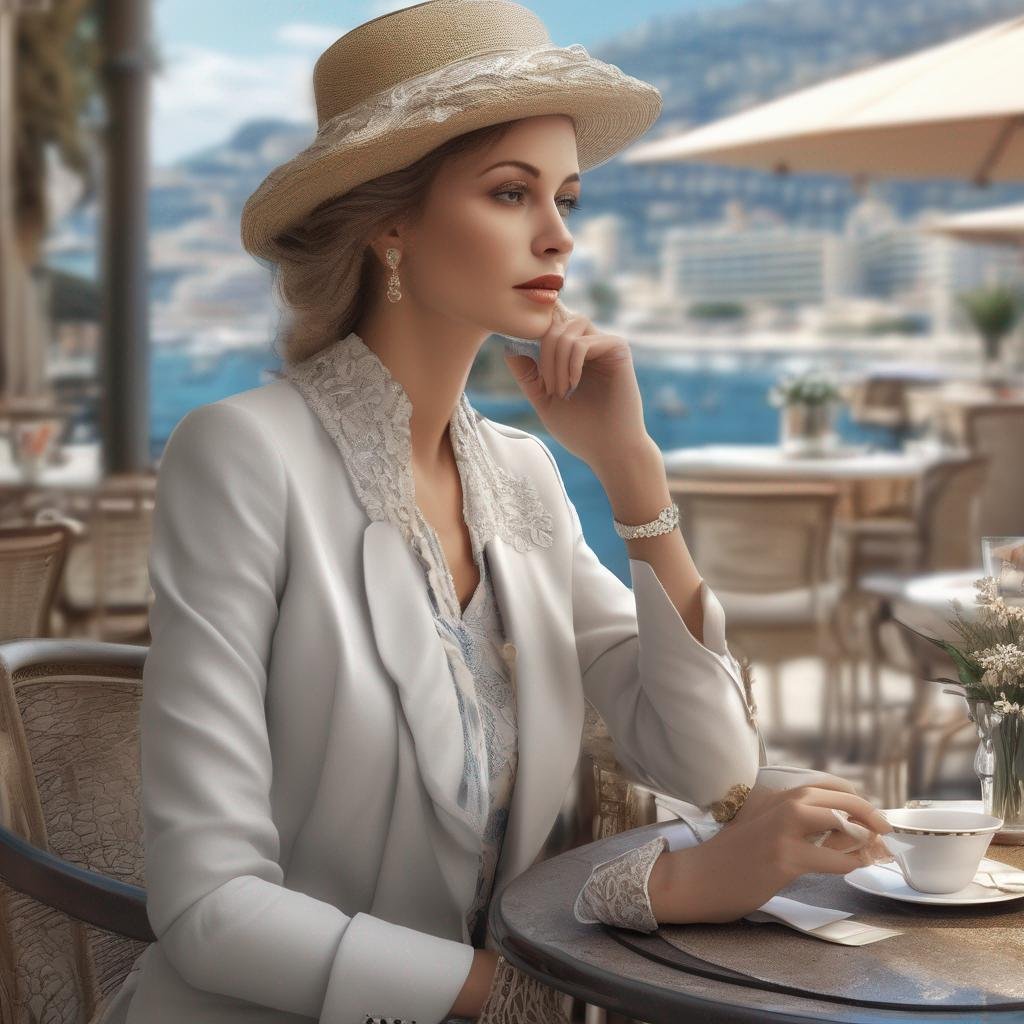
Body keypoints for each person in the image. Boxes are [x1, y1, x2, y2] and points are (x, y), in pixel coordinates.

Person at [95, 2, 892, 1022]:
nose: (557, 234)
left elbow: (711, 767)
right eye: (510, 193)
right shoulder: (242, 454)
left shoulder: (519, 472)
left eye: (564, 196)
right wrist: (521, 996)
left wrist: (631, 471)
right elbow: (209, 906)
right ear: (389, 217)